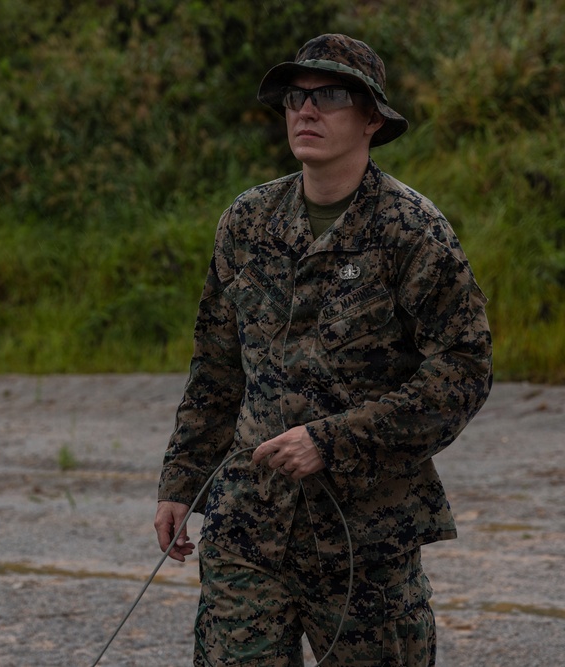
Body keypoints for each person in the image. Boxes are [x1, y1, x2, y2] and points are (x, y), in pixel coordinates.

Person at [154, 33, 492, 666]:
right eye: (295, 97)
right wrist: (182, 479)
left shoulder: (412, 232)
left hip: (365, 540)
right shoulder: (248, 221)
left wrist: (333, 442)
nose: (305, 111)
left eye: (330, 96)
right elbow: (216, 368)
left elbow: (462, 373)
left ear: (371, 119)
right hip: (248, 526)